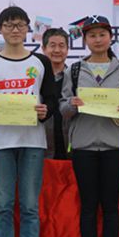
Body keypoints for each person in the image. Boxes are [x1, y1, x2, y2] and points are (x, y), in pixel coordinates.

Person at [0, 5, 56, 237]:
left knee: (30, 206)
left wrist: (46, 111)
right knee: (3, 205)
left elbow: (52, 100)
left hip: (33, 140)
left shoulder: (41, 62)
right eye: (9, 25)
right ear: (0, 29)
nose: (15, 30)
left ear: (27, 29)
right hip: (1, 142)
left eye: (20, 25)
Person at [60, 16, 119, 237]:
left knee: (111, 205)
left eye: (102, 34)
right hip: (83, 146)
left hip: (114, 146)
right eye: (92, 35)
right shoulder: (74, 70)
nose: (97, 40)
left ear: (110, 38)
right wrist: (71, 105)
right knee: (88, 205)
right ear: (85, 40)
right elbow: (62, 107)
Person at [41, 27, 71, 160]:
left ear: (67, 49)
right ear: (43, 49)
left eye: (62, 46)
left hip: (71, 146)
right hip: (42, 146)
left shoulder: (76, 77)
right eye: (52, 46)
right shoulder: (36, 79)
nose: (57, 50)